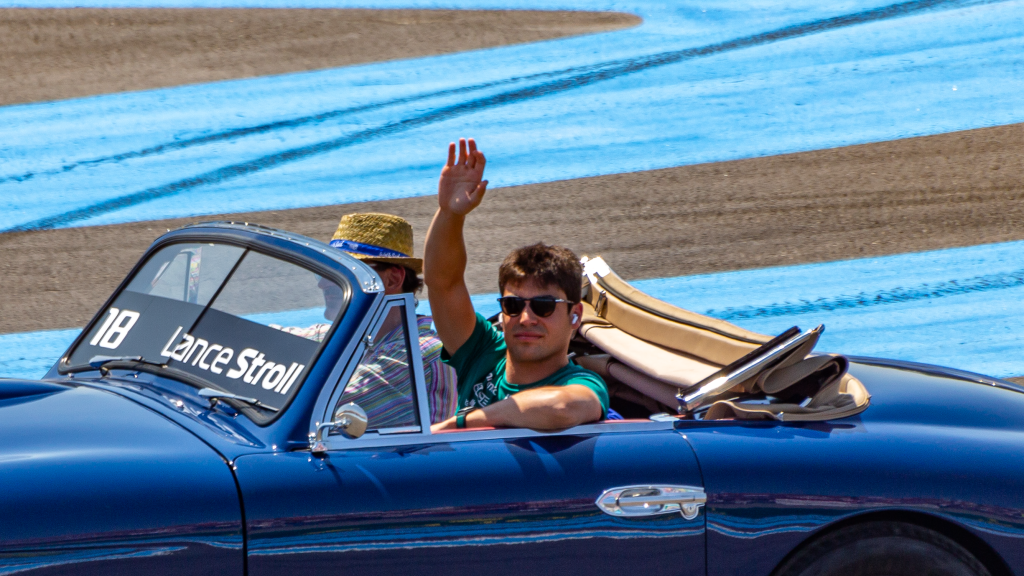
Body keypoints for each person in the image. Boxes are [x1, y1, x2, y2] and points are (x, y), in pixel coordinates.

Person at [425, 138, 609, 431]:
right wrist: (450, 215)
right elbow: (442, 283)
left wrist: (462, 424)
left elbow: (563, 407)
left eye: (543, 306)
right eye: (513, 305)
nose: (526, 318)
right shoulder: (484, 354)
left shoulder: (580, 382)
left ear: (575, 316)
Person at [312, 213, 457, 425]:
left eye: (343, 272)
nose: (323, 284)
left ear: (393, 279)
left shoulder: (419, 352)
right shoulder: (352, 335)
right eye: (325, 272)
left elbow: (314, 406)